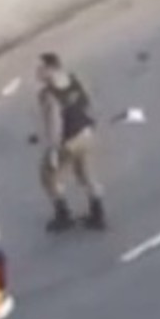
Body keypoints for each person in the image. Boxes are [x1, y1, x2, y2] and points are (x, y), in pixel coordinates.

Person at [36, 52, 107, 232]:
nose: (38, 72)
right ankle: (98, 213)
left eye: (41, 68)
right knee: (86, 174)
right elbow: (88, 102)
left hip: (68, 142)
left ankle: (63, 215)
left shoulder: (49, 94)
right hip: (86, 134)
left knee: (48, 177)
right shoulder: (75, 79)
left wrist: (53, 151)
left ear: (50, 69)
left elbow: (55, 123)